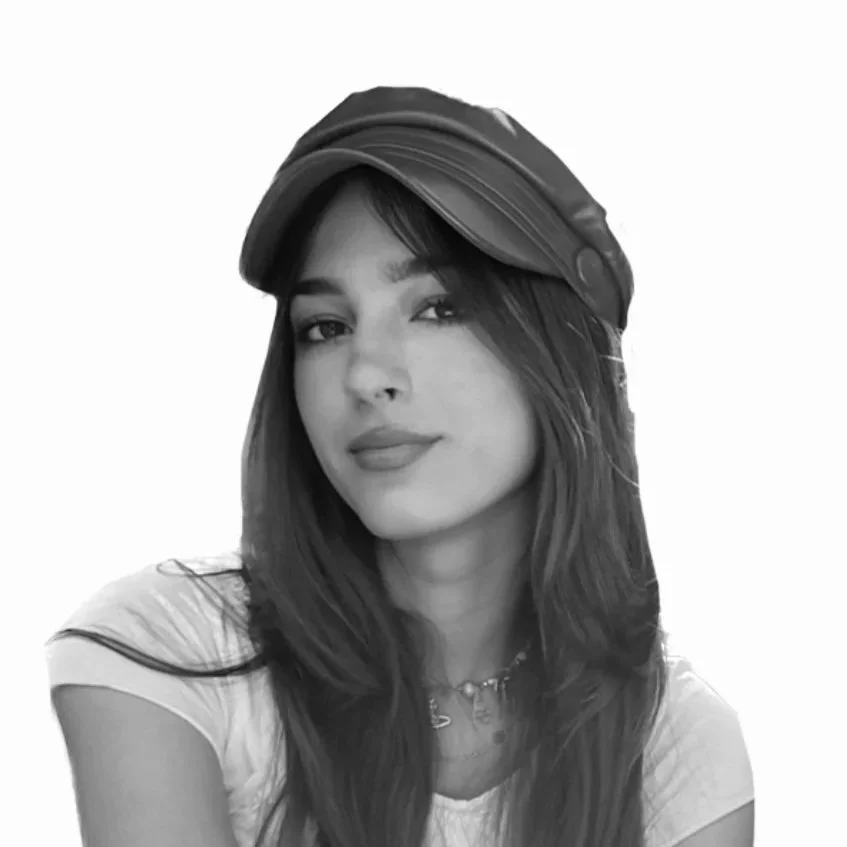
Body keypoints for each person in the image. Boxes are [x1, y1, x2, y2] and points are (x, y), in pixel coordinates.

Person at [45, 86, 754, 847]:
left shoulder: (673, 743)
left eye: (437, 309)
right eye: (326, 326)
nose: (364, 374)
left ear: (559, 349)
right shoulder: (168, 655)